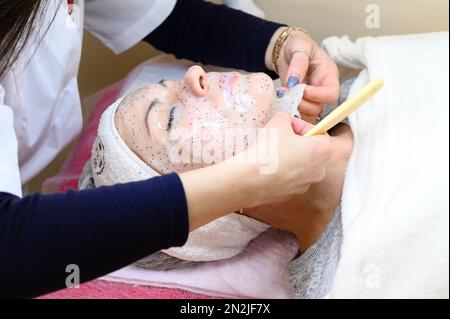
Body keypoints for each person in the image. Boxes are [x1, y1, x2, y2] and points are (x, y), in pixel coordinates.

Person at [0, 0, 339, 298]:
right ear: (214, 221)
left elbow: (172, 18)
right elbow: (8, 246)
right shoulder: (345, 276)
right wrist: (248, 181)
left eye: (170, 85)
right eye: (171, 117)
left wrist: (279, 43)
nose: (195, 72)